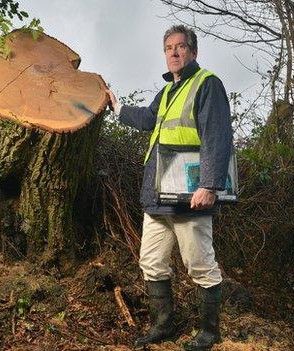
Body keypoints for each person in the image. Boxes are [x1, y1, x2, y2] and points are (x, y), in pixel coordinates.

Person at [106, 25, 233, 350]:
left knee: (200, 265)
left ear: (192, 52)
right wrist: (118, 108)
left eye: (180, 47)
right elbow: (148, 119)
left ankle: (209, 332)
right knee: (151, 261)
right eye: (169, 48)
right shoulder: (166, 93)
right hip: (158, 197)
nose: (174, 53)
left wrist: (209, 185)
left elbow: (217, 137)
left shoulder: (207, 84)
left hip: (191, 197)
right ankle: (163, 327)